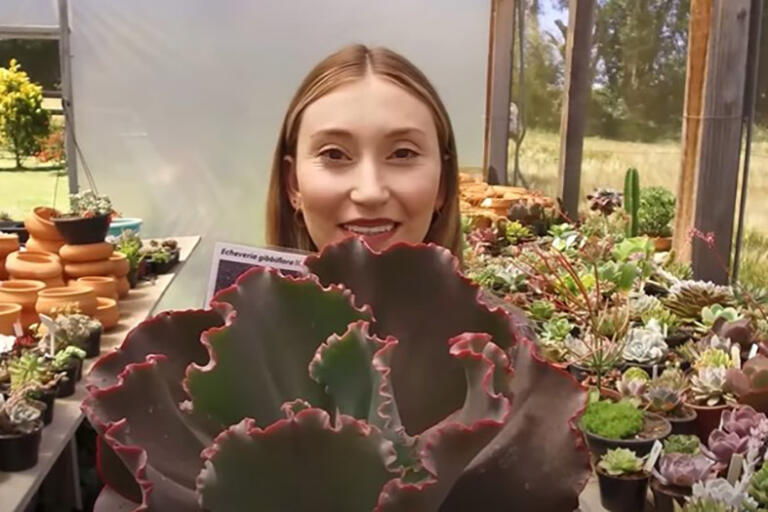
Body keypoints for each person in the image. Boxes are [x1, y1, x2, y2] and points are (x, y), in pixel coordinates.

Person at [266, 44, 462, 260]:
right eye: (334, 155)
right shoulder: (230, 295)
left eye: (403, 154)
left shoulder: (480, 297)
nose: (370, 193)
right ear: (293, 182)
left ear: (442, 181)